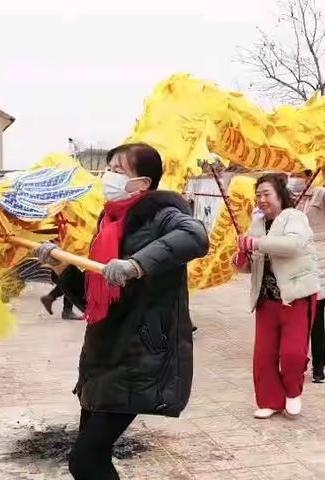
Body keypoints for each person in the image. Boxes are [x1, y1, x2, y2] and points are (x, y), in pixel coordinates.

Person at [36, 143, 209, 480]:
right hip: (104, 354)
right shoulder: (111, 222)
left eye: (118, 169)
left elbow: (196, 237)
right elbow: (93, 301)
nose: (108, 175)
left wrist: (136, 264)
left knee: (85, 462)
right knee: (94, 460)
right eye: (109, 167)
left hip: (139, 356)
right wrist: (60, 268)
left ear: (142, 183)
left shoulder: (163, 214)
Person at [233, 173, 319, 419]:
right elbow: (252, 262)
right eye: (258, 195)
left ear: (280, 194)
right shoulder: (257, 224)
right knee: (264, 355)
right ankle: (270, 400)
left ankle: (292, 392)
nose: (261, 199)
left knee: (292, 353)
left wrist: (255, 243)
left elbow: (292, 246)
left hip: (295, 297)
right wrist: (241, 258)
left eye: (266, 194)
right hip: (266, 298)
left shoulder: (295, 217)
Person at [288, 166, 325, 383]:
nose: (297, 176)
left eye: (302, 172)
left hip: (317, 259)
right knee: (295, 315)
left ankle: (319, 367)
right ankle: (298, 361)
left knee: (317, 315)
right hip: (293, 259)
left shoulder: (320, 194)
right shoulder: (285, 194)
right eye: (293, 172)